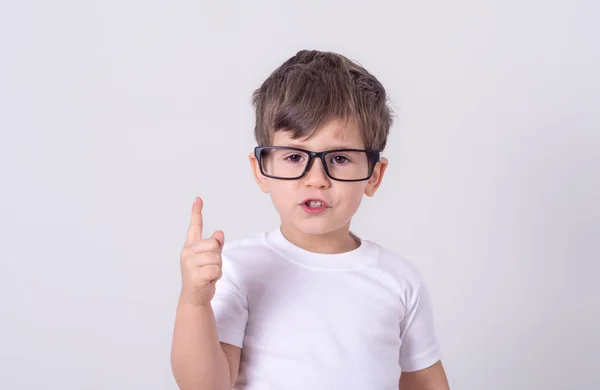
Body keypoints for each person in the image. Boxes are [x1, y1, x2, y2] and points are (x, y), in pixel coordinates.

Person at [171, 50, 450, 390]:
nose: (316, 178)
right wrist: (194, 302)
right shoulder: (238, 269)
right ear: (262, 171)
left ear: (374, 176)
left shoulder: (399, 280)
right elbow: (205, 386)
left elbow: (426, 382)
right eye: (293, 156)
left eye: (340, 158)